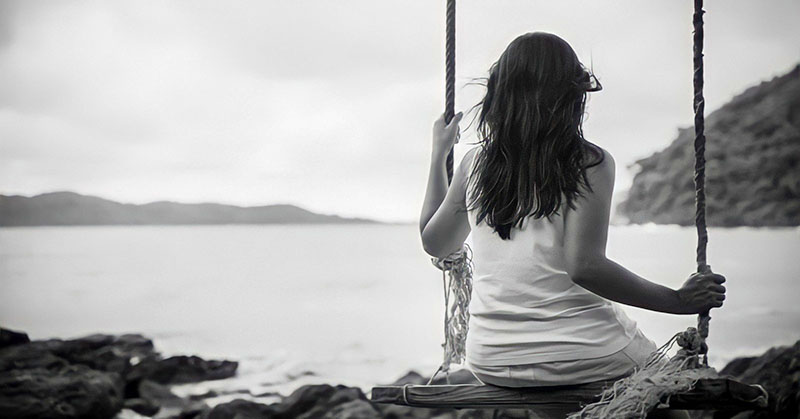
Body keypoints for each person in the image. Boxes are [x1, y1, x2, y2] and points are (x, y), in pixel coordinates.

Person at [419, 32, 725, 395]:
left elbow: (435, 243)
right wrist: (677, 301)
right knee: (666, 390)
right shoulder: (589, 162)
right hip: (579, 353)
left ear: (499, 94)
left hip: (492, 358)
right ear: (571, 96)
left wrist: (438, 155)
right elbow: (584, 267)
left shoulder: (475, 164)